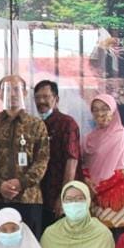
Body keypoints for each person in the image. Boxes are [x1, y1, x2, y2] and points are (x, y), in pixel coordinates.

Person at [0, 75, 50, 236]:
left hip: (29, 198)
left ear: (24, 93)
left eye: (17, 89)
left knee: (29, 246)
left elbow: (42, 160)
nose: (12, 94)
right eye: (7, 89)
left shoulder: (36, 124)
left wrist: (21, 183)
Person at [81, 93, 124, 230]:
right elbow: (84, 163)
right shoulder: (90, 137)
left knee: (113, 239)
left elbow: (122, 171)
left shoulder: (121, 137)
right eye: (95, 109)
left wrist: (96, 189)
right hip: (92, 199)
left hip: (113, 201)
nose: (100, 113)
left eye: (105, 109)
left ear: (113, 111)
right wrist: (87, 181)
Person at [33, 80, 81, 230]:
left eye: (46, 96)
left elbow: (72, 161)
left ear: (56, 99)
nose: (41, 101)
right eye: (37, 97)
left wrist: (64, 196)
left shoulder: (67, 124)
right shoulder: (35, 125)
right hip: (40, 197)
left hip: (60, 197)